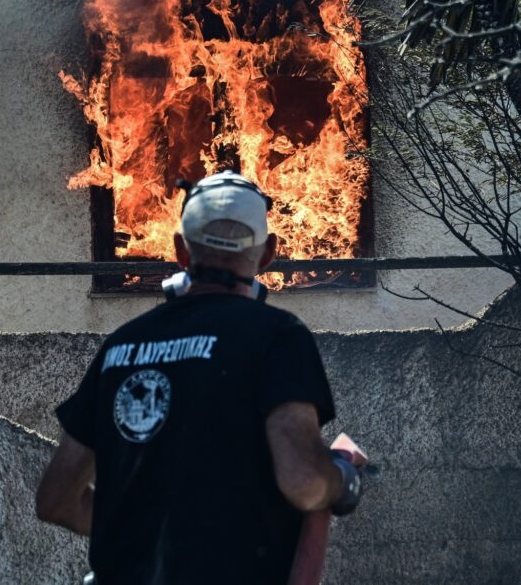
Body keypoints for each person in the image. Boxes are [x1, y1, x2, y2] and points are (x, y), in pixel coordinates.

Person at [36, 171, 364, 585]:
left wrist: (147, 533)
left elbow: (56, 500)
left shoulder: (120, 349)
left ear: (180, 252)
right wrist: (343, 480)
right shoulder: (277, 337)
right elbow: (303, 481)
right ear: (267, 255)